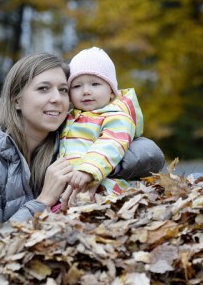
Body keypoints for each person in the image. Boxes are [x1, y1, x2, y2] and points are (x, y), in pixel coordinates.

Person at [0, 52, 164, 232]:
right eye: (43, 88)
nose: (57, 98)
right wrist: (43, 201)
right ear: (17, 100)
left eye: (63, 90)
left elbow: (151, 154)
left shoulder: (67, 135)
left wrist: (92, 170)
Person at [59, 47, 143, 196]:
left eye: (95, 84)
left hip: (105, 189)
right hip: (72, 190)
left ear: (111, 91)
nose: (86, 91)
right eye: (77, 86)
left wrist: (88, 170)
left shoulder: (117, 117)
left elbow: (111, 144)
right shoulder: (69, 118)